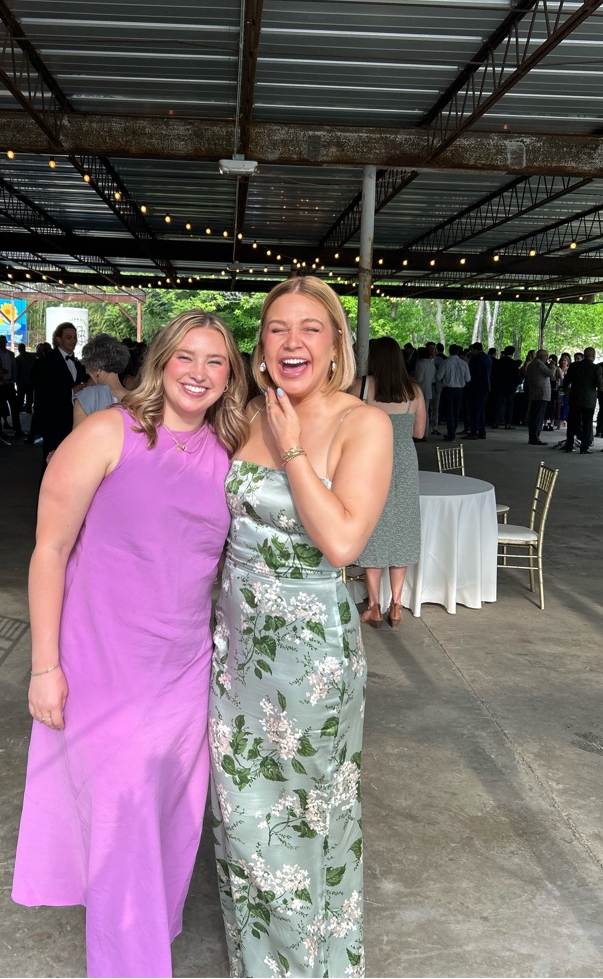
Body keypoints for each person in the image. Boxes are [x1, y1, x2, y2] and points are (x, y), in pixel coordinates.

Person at [12, 310, 249, 978]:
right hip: (103, 662)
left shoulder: (232, 450)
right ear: (160, 362)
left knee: (167, 819)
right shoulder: (105, 433)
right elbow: (50, 549)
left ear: (230, 375)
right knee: (120, 818)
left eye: (215, 361)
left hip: (184, 667)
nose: (198, 373)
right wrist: (44, 666)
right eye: (186, 357)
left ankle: (143, 935)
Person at [210, 276, 393, 978]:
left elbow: (343, 542)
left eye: (310, 328)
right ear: (260, 346)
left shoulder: (362, 424)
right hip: (235, 654)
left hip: (310, 662)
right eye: (277, 328)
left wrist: (290, 449)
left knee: (302, 823)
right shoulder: (245, 414)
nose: (292, 342)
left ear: (336, 343)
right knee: (242, 822)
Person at [351, 335, 425, 627]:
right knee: (402, 528)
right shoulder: (414, 390)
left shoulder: (361, 387)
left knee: (375, 528)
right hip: (404, 461)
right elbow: (419, 432)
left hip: (371, 461)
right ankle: (396, 604)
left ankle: (374, 606)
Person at [31, 321, 88, 466]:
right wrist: (71, 391)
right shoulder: (46, 362)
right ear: (58, 339)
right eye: (69, 337)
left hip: (73, 420)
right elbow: (43, 394)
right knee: (51, 462)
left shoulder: (77, 363)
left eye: (75, 337)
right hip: (53, 421)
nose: (73, 341)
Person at [71, 333, 131, 429]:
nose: (87, 372)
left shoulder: (86, 397)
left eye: (88, 368)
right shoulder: (137, 400)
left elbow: (76, 437)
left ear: (97, 368)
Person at [562, 347, 602, 454]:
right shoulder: (596, 368)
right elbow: (600, 385)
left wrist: (566, 392)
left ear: (584, 355)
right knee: (587, 424)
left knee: (572, 423)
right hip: (588, 400)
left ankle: (569, 445)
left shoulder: (574, 366)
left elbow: (566, 381)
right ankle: (584, 447)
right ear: (593, 356)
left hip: (574, 398)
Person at [524, 349, 559, 446]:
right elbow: (551, 374)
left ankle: (533, 436)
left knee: (534, 415)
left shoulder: (532, 364)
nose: (547, 358)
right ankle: (535, 437)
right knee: (538, 417)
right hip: (541, 394)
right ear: (541, 356)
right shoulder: (539, 364)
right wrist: (553, 366)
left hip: (535, 393)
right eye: (546, 355)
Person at [436, 343, 470, 441]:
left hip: (448, 390)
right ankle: (453, 431)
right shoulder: (464, 363)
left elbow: (439, 376)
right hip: (459, 390)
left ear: (449, 351)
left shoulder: (445, 362)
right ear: (458, 352)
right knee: (456, 411)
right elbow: (468, 378)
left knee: (449, 412)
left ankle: (451, 433)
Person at [413, 347, 435, 441]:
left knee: (416, 413)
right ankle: (425, 433)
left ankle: (417, 433)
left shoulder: (420, 364)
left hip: (420, 390)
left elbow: (418, 379)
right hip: (428, 390)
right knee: (426, 412)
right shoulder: (431, 364)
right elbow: (433, 379)